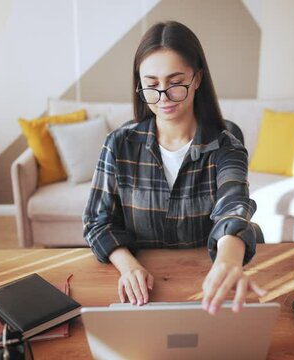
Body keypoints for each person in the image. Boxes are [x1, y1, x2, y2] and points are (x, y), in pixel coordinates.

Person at [83, 20, 265, 315]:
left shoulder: (226, 147)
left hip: (207, 289)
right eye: (152, 85)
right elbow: (97, 221)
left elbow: (233, 209)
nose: (163, 97)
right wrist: (128, 267)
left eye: (175, 82)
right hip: (141, 294)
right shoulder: (118, 144)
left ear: (197, 79)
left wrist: (228, 261)